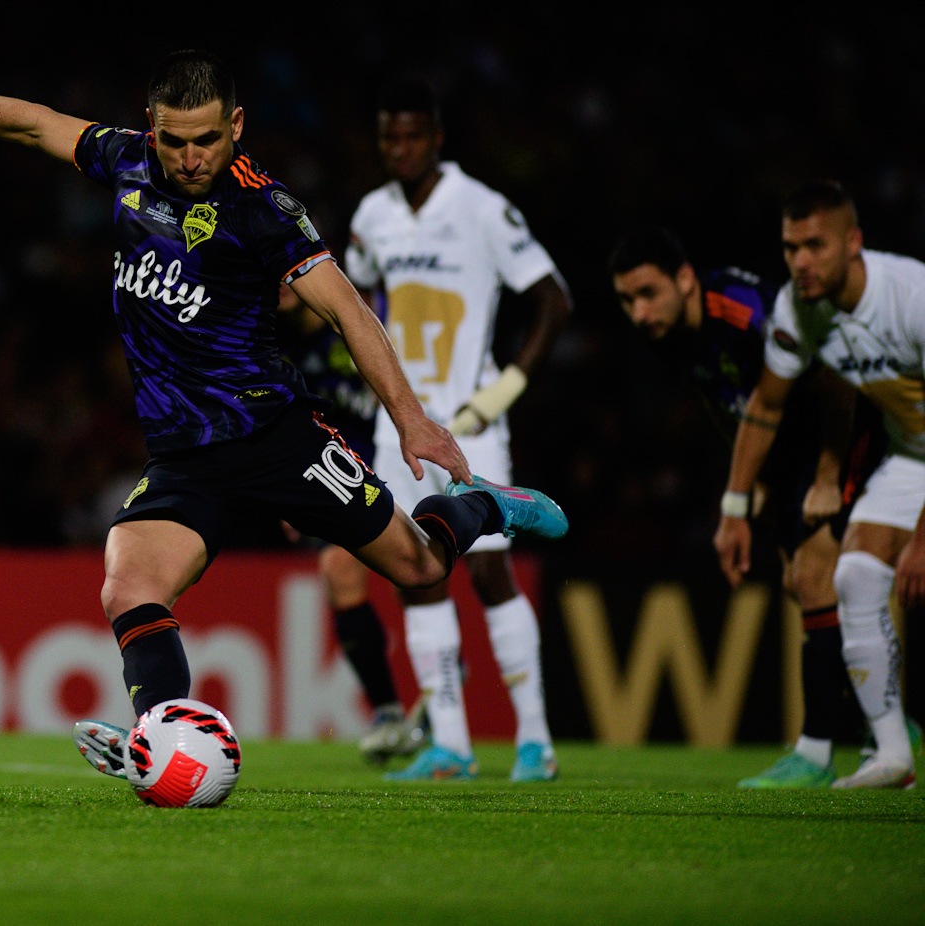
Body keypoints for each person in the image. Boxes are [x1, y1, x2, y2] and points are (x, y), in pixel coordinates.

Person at [0, 52, 569, 784]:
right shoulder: (127, 163)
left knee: (420, 568)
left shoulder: (263, 208)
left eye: (207, 138)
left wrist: (412, 419)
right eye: (175, 141)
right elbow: (35, 125)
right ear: (151, 129)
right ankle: (163, 739)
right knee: (128, 587)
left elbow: (347, 309)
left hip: (278, 440)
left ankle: (487, 506)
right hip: (185, 457)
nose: (192, 157)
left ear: (236, 125)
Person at [341, 78, 571, 782]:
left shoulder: (483, 209)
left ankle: (536, 742)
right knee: (414, 577)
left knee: (492, 570)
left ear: (436, 138)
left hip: (471, 423)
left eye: (411, 136)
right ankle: (451, 745)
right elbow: (358, 302)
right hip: (398, 426)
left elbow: (552, 300)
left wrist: (503, 389)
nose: (398, 149)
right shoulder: (372, 216)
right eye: (388, 137)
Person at [610, 225, 879, 787]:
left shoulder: (744, 310)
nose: (638, 312)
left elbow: (833, 377)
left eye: (648, 293)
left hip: (840, 431)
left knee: (814, 578)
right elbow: (720, 398)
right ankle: (889, 720)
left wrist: (830, 476)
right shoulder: (672, 334)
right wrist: (748, 482)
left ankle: (817, 749)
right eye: (627, 301)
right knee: (801, 582)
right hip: (784, 448)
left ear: (685, 280)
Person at [718, 181, 925, 790]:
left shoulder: (911, 296)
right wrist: (734, 507)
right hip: (914, 455)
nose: (800, 262)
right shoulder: (796, 308)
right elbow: (766, 406)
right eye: (790, 248)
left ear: (854, 243)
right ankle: (891, 757)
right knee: (855, 574)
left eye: (815, 246)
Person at [278, 282, 424, 763]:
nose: (278, 284)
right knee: (339, 573)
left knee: (416, 579)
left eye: (285, 272)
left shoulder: (360, 318)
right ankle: (388, 711)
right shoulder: (272, 336)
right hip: (337, 473)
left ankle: (442, 678)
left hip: (399, 461)